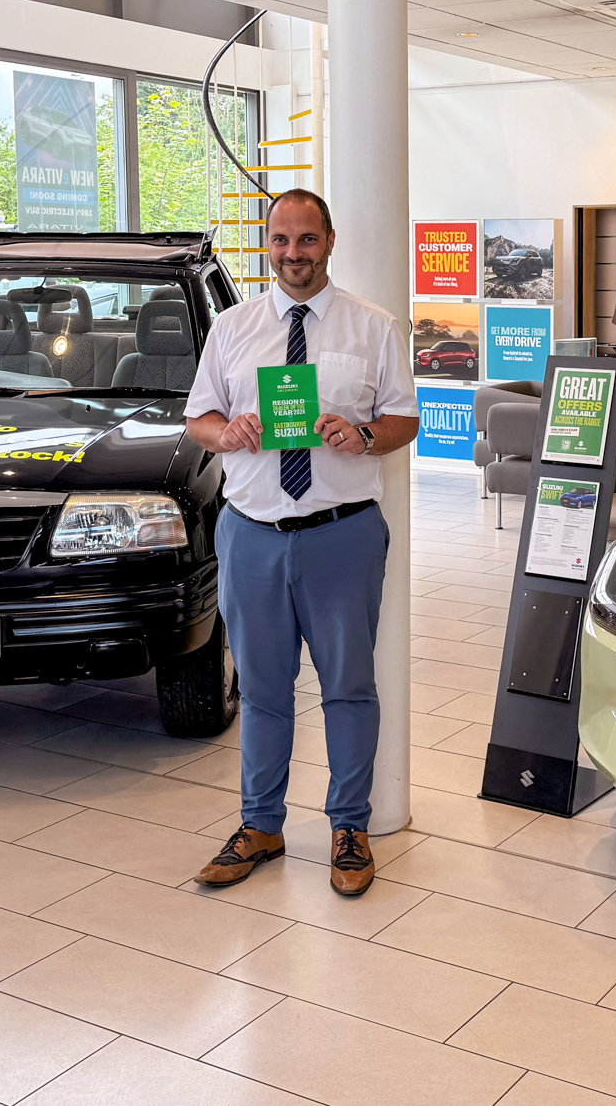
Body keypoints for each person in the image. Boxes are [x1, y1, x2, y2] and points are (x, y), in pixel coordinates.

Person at [184, 188, 417, 896]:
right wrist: (225, 432)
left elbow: (404, 417)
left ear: (330, 239)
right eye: (281, 240)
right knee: (261, 690)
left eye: (306, 240)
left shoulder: (373, 327)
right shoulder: (232, 327)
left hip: (340, 536)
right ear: (268, 244)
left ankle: (349, 826)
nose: (293, 254)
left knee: (349, 687)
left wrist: (366, 434)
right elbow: (199, 416)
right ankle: (261, 824)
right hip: (251, 535)